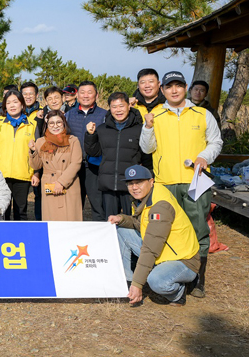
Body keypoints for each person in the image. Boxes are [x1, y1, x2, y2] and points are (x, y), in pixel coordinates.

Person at [140, 70, 222, 298]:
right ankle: (170, 274)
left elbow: (216, 142)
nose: (174, 90)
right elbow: (146, 148)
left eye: (178, 85)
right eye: (169, 86)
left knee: (198, 229)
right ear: (162, 90)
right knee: (166, 229)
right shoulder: (155, 115)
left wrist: (205, 156)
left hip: (195, 181)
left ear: (185, 87)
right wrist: (147, 127)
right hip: (165, 183)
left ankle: (197, 280)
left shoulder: (202, 114)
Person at [109, 165, 199, 306]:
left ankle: (178, 293)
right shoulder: (147, 196)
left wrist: (138, 284)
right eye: (130, 183)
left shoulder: (160, 206)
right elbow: (142, 224)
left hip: (183, 260)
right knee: (122, 231)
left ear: (151, 182)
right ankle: (127, 281)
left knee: (157, 281)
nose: (134, 187)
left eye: (139, 182)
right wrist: (121, 219)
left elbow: (150, 248)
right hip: (163, 252)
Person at [84, 92, 150, 217]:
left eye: (121, 106)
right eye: (114, 107)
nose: (118, 110)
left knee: (132, 220)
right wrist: (90, 136)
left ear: (128, 106)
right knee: (110, 221)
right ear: (109, 108)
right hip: (108, 185)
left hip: (131, 184)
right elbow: (93, 152)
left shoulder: (139, 129)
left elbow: (146, 156)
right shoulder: (102, 129)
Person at [0, 90, 36, 221]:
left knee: (21, 211)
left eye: (15, 102)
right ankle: (3, 234)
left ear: (22, 105)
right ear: (4, 106)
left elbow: (37, 152)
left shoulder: (32, 124)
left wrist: (36, 173)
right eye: (8, 103)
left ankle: (20, 234)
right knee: (3, 210)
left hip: (23, 174)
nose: (12, 105)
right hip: (1, 175)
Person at [28, 110, 83, 221]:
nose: (55, 126)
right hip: (49, 183)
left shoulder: (73, 141)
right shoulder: (40, 142)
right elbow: (36, 165)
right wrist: (33, 151)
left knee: (70, 219)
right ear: (47, 125)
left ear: (64, 123)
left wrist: (61, 182)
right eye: (51, 123)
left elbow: (76, 163)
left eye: (58, 122)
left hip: (69, 183)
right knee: (52, 218)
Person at [65, 81, 108, 221]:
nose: (86, 95)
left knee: (97, 204)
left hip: (95, 167)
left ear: (97, 95)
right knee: (75, 205)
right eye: (82, 92)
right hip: (74, 166)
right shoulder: (69, 115)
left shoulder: (105, 115)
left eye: (90, 92)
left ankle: (99, 230)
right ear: (77, 95)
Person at [20, 81, 42, 220]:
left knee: (39, 196)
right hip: (20, 161)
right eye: (25, 94)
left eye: (31, 94)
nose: (28, 96)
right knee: (20, 200)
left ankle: (40, 222)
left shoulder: (42, 112)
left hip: (37, 160)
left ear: (37, 95)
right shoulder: (16, 112)